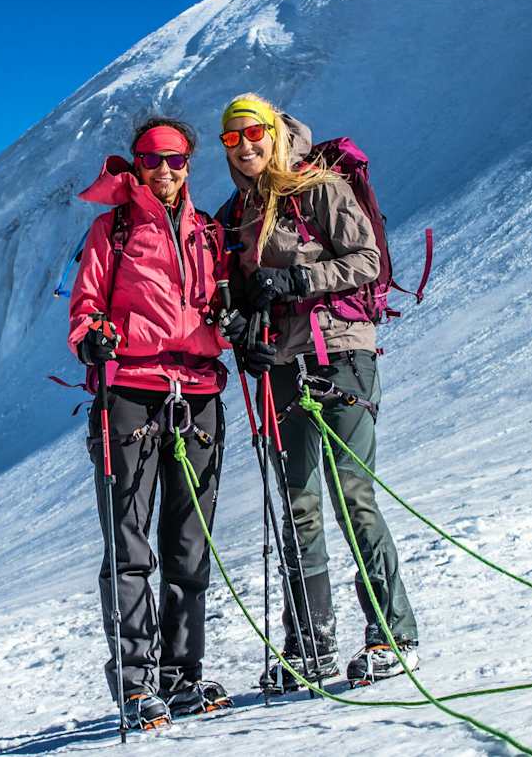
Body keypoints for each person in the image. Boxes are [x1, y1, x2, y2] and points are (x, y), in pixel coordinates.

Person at [215, 93, 421, 692]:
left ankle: (392, 633)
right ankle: (312, 642)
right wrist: (241, 331)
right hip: (283, 364)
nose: (245, 146)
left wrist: (299, 277)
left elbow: (367, 260)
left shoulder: (321, 186)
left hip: (340, 354)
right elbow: (242, 295)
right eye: (232, 139)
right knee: (299, 505)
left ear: (275, 133)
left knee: (352, 496)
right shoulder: (237, 213)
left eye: (253, 134)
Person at [67, 117, 234, 729]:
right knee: (131, 544)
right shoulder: (109, 231)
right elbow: (85, 307)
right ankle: (136, 684)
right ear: (135, 163)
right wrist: (91, 339)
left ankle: (182, 676)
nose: (165, 170)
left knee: (189, 546)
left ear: (190, 163)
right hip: (130, 394)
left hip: (198, 392)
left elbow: (219, 303)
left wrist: (233, 323)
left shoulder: (208, 232)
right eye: (152, 159)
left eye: (177, 159)